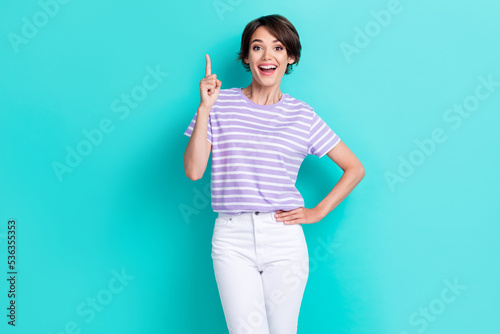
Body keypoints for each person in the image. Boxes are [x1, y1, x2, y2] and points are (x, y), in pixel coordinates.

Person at [183, 14, 365, 334]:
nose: (267, 56)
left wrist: (316, 212)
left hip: (284, 238)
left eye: (278, 48)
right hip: (231, 238)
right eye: (257, 47)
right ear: (246, 57)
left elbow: (355, 168)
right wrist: (204, 110)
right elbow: (194, 171)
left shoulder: (302, 115)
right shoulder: (218, 104)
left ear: (290, 57)